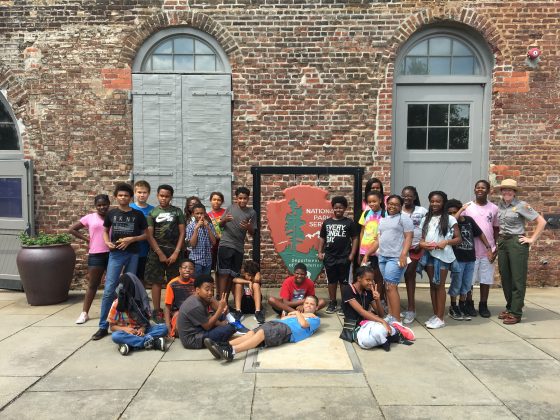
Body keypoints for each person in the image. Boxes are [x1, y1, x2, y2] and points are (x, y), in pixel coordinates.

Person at [92, 183, 148, 341]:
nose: (123, 197)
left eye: (126, 195)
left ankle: (131, 322)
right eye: (120, 195)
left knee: (129, 288)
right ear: (116, 197)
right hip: (116, 254)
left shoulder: (138, 215)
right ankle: (103, 326)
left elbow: (145, 235)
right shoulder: (111, 213)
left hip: (133, 254)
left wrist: (132, 239)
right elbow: (105, 231)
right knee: (109, 289)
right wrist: (107, 242)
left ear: (131, 197)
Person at [203, 295, 321, 362]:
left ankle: (232, 351)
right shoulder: (301, 314)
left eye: (311, 304)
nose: (308, 305)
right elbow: (284, 319)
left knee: (262, 333)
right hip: (276, 323)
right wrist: (291, 314)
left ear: (316, 308)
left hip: (288, 331)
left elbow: (303, 325)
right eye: (306, 303)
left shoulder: (315, 319)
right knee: (250, 334)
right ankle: (222, 346)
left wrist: (297, 313)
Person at [495, 179, 546, 325]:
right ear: (501, 192)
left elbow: (541, 222)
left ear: (515, 192)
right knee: (505, 277)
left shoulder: (521, 205)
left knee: (518, 278)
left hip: (516, 243)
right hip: (503, 242)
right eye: (504, 189)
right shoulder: (500, 206)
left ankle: (516, 313)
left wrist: (532, 239)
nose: (507, 192)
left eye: (510, 190)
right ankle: (510, 307)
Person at [362, 195, 413, 323]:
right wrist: (368, 253)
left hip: (396, 257)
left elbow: (408, 237)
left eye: (396, 204)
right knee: (388, 287)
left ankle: (396, 320)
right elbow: (379, 240)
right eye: (390, 203)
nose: (392, 206)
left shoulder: (404, 218)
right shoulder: (383, 220)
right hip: (383, 257)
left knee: (391, 286)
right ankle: (391, 314)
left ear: (400, 206)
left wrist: (403, 254)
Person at [340, 266, 414, 351]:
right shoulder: (348, 289)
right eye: (368, 280)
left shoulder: (368, 291)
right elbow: (361, 311)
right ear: (359, 278)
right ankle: (393, 334)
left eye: (372, 280)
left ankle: (395, 331)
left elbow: (381, 314)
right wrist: (382, 321)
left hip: (369, 323)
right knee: (365, 343)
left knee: (379, 331)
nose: (371, 283)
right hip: (354, 327)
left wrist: (377, 299)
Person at [418, 191, 461, 329]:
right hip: (429, 255)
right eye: (432, 201)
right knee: (432, 284)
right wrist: (422, 244)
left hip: (442, 257)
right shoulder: (426, 219)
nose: (435, 204)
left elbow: (458, 239)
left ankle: (441, 318)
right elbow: (422, 239)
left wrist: (446, 242)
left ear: (443, 203)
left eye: (438, 201)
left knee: (440, 285)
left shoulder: (450, 219)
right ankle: (436, 314)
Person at [445, 199, 492, 321]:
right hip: (458, 259)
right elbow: (453, 220)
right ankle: (453, 307)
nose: (453, 214)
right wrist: (461, 210)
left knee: (466, 285)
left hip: (470, 258)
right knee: (456, 284)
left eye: (455, 211)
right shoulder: (451, 223)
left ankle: (462, 305)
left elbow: (480, 233)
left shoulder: (469, 221)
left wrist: (488, 247)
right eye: (449, 213)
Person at [145, 184, 185, 323]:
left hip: (174, 251)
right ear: (157, 196)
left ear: (171, 197)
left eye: (167, 196)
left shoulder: (177, 212)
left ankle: (174, 307)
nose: (164, 198)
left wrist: (176, 252)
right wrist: (159, 253)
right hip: (157, 252)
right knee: (156, 281)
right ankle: (157, 310)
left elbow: (182, 233)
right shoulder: (152, 213)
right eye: (161, 196)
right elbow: (150, 235)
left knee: (174, 281)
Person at [68, 194, 111, 324]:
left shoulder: (114, 216)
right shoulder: (90, 218)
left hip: (113, 254)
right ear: (95, 206)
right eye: (99, 205)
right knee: (93, 284)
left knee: (113, 285)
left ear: (109, 204)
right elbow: (72, 229)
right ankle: (84, 313)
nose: (102, 207)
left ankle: (115, 312)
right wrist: (88, 239)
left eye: (104, 204)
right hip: (96, 254)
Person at [462, 180, 500, 318]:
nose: (480, 190)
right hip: (471, 249)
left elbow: (496, 229)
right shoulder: (467, 207)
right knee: (469, 280)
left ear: (488, 190)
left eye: (483, 188)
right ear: (474, 190)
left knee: (486, 279)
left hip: (487, 249)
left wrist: (495, 247)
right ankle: (469, 303)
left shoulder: (494, 208)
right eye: (477, 187)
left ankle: (483, 304)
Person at [109, 273, 167, 355]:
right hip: (126, 332)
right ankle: (152, 342)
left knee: (164, 328)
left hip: (141, 331)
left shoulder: (141, 302)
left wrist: (142, 329)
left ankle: (132, 345)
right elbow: (112, 327)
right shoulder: (116, 303)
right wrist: (126, 329)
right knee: (116, 336)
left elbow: (146, 322)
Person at [318, 196, 359, 315]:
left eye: (341, 208)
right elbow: (322, 238)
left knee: (344, 282)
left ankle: (344, 303)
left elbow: (355, 238)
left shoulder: (349, 223)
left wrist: (352, 254)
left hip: (344, 257)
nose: (338, 210)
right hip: (330, 257)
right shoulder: (327, 222)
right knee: (331, 281)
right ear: (333, 208)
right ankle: (332, 302)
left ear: (345, 208)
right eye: (336, 207)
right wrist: (320, 252)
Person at [216, 187, 257, 298]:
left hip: (239, 247)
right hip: (226, 244)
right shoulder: (230, 208)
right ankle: (221, 300)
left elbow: (253, 232)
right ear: (236, 198)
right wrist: (224, 220)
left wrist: (249, 227)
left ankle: (226, 300)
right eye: (240, 198)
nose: (242, 200)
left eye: (245, 198)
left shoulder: (251, 212)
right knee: (224, 273)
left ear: (248, 199)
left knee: (232, 275)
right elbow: (220, 225)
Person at [176, 275, 237, 349]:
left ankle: (221, 336)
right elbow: (208, 326)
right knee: (230, 328)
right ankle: (219, 341)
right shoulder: (195, 305)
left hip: (199, 329)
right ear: (198, 290)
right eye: (207, 290)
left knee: (224, 317)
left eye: (212, 290)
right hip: (194, 339)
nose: (210, 293)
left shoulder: (201, 298)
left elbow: (214, 314)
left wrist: (219, 307)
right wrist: (220, 310)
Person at [400, 186, 428, 324]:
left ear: (415, 197)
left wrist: (422, 243)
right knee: (402, 276)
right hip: (401, 249)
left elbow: (428, 227)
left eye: (410, 196)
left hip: (417, 248)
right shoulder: (398, 211)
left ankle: (411, 309)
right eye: (404, 195)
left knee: (410, 275)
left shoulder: (422, 211)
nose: (407, 198)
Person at [358, 190, 385, 304]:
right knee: (364, 278)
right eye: (369, 202)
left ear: (380, 200)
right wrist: (360, 249)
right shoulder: (366, 213)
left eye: (374, 201)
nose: (372, 204)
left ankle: (379, 301)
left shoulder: (385, 214)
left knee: (378, 278)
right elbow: (362, 231)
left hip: (378, 252)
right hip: (365, 251)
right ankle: (365, 301)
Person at [164, 259, 196, 338]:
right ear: (179, 270)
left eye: (190, 268)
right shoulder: (172, 284)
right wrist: (168, 326)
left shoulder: (195, 283)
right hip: (178, 313)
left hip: (193, 312)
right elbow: (167, 307)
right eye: (185, 267)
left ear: (194, 271)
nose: (187, 270)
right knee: (179, 331)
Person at [130, 180, 154, 281]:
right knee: (129, 277)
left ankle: (140, 297)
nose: (142, 195)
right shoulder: (129, 207)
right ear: (135, 193)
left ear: (148, 194)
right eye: (139, 192)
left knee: (141, 278)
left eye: (144, 192)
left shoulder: (153, 210)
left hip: (146, 250)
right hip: (130, 249)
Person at [186, 203, 217, 276]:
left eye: (201, 213)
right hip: (196, 261)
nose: (199, 215)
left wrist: (208, 228)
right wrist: (196, 228)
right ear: (193, 214)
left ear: (205, 213)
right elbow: (192, 244)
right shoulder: (190, 226)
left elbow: (214, 242)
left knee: (205, 282)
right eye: (197, 213)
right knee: (196, 282)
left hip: (208, 260)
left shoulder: (209, 225)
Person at [231, 260, 265, 324]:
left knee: (256, 284)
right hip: (243, 306)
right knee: (238, 284)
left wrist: (257, 273)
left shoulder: (256, 278)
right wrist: (248, 282)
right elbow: (234, 280)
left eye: (251, 275)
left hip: (254, 305)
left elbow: (257, 279)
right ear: (244, 272)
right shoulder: (241, 277)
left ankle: (258, 312)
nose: (249, 278)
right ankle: (238, 311)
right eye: (248, 275)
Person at [207, 191, 226, 270]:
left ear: (222, 202)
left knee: (223, 267)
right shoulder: (207, 215)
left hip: (224, 243)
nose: (216, 202)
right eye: (214, 199)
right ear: (210, 201)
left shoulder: (226, 212)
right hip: (212, 245)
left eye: (219, 200)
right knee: (213, 267)